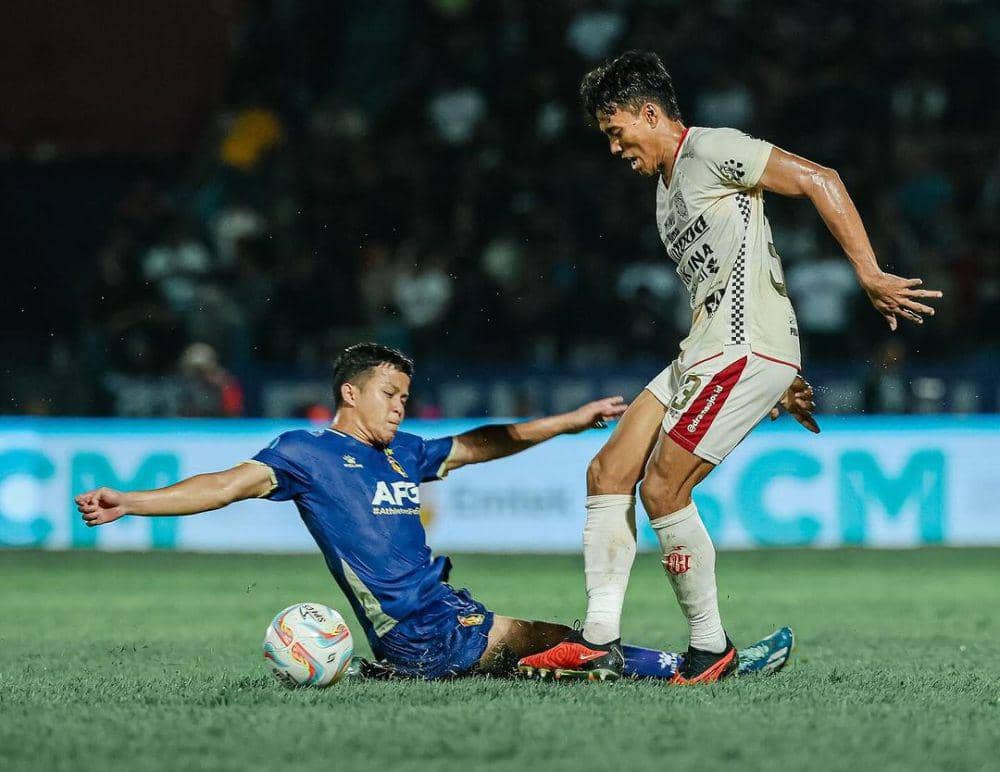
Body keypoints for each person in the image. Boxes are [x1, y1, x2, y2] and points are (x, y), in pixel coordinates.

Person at [519, 51, 942, 684]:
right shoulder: (665, 198)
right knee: (607, 471)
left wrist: (869, 274)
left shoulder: (712, 148)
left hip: (741, 349)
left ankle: (708, 648)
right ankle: (598, 640)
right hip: (707, 349)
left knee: (664, 487)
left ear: (649, 112)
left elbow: (821, 178)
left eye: (616, 132)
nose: (614, 149)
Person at [76, 342, 791, 681]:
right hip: (422, 631)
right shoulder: (306, 452)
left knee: (558, 647)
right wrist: (131, 501)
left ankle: (686, 662)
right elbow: (223, 484)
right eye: (388, 392)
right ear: (349, 395)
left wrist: (566, 420)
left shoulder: (401, 455)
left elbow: (481, 444)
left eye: (405, 395)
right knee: (566, 647)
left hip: (443, 615)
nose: (400, 404)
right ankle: (701, 666)